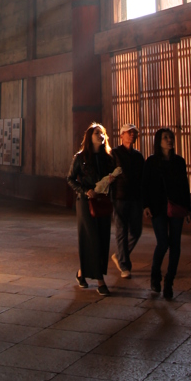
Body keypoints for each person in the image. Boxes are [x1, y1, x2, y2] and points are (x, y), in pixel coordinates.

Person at [67, 122, 116, 296]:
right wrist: (85, 190)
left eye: (102, 133)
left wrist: (111, 181)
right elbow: (71, 179)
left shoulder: (107, 158)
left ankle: (82, 273)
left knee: (102, 239)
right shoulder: (80, 158)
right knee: (92, 238)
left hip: (102, 200)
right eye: (96, 133)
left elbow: (113, 177)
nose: (100, 135)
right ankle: (100, 281)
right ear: (89, 136)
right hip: (85, 202)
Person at [142, 127, 191, 300]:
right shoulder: (151, 162)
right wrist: (145, 205)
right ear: (158, 141)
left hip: (177, 205)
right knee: (163, 243)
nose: (169, 140)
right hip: (158, 207)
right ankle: (155, 275)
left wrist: (188, 208)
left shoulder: (179, 162)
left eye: (171, 137)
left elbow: (185, 185)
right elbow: (145, 185)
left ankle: (169, 281)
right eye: (165, 137)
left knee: (175, 245)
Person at [110, 123, 144, 279]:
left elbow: (143, 177)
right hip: (120, 196)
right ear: (121, 135)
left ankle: (119, 255)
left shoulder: (138, 156)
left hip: (135, 197)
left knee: (136, 231)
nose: (132, 135)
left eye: (134, 133)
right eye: (129, 132)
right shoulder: (114, 154)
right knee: (121, 231)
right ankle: (124, 265)